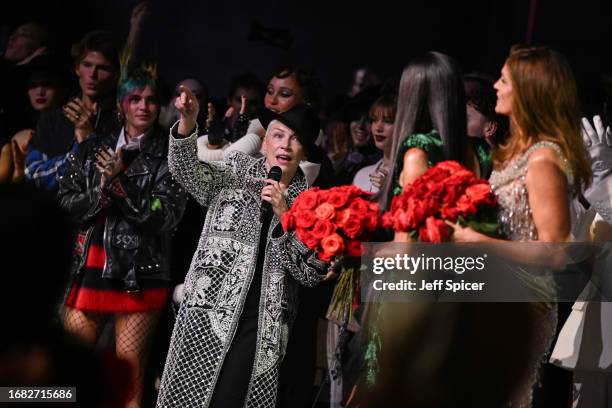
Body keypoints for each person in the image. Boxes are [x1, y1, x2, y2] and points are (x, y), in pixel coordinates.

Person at [156, 87, 331, 407]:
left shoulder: (311, 206)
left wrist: (284, 214)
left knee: (230, 398)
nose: (285, 146)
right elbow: (185, 171)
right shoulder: (232, 174)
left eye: (296, 140)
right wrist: (188, 122)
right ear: (264, 143)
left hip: (261, 323)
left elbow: (309, 273)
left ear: (304, 153)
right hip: (208, 312)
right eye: (278, 136)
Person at [448, 45, 592, 405]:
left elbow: (558, 251)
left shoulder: (544, 158)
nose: (496, 86)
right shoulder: (518, 150)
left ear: (528, 91)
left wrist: (476, 240)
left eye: (504, 79)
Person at [58, 54, 187, 408]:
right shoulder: (92, 148)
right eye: (135, 99)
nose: (143, 106)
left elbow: (164, 216)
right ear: (121, 105)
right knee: (69, 373)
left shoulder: (168, 156)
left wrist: (120, 184)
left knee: (129, 379)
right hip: (89, 268)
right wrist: (101, 190)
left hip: (140, 274)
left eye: (150, 100)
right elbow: (65, 203)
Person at [25, 30, 121, 193]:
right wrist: (78, 153)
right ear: (77, 69)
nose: (93, 74)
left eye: (103, 68)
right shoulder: (53, 119)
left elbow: (105, 179)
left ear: (114, 75)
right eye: (87, 65)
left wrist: (88, 139)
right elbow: (33, 174)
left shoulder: (120, 120)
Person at [352, 93, 396, 192]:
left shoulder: (408, 175)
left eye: (388, 121)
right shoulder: (362, 175)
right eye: (374, 120)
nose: (378, 128)